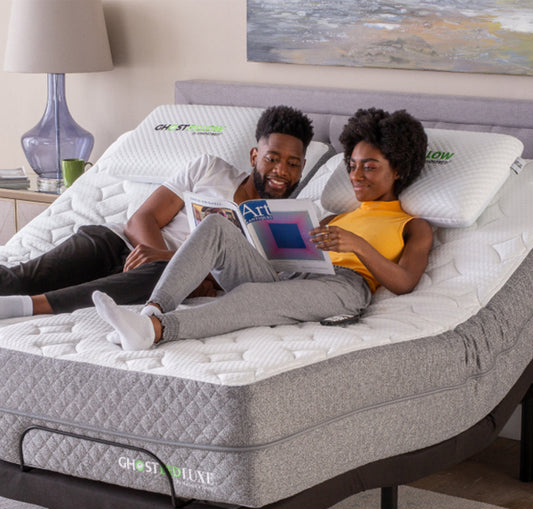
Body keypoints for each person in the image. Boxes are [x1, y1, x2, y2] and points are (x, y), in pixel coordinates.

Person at [92, 107, 434, 350]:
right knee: (216, 226)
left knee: (253, 297)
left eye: (370, 167)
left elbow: (404, 283)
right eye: (353, 166)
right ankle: (152, 309)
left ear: (399, 169)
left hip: (346, 286)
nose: (356, 176)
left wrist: (357, 245)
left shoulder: (413, 226)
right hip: (294, 277)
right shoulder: (332, 218)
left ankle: (156, 331)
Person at [0, 105, 314, 319]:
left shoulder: (284, 225)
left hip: (159, 276)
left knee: (164, 276)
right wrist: (156, 252)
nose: (281, 171)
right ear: (254, 155)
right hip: (115, 244)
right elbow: (142, 219)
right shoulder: (209, 169)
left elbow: (247, 282)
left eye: (293, 163)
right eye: (272, 158)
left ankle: (29, 308)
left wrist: (171, 264)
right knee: (15, 279)